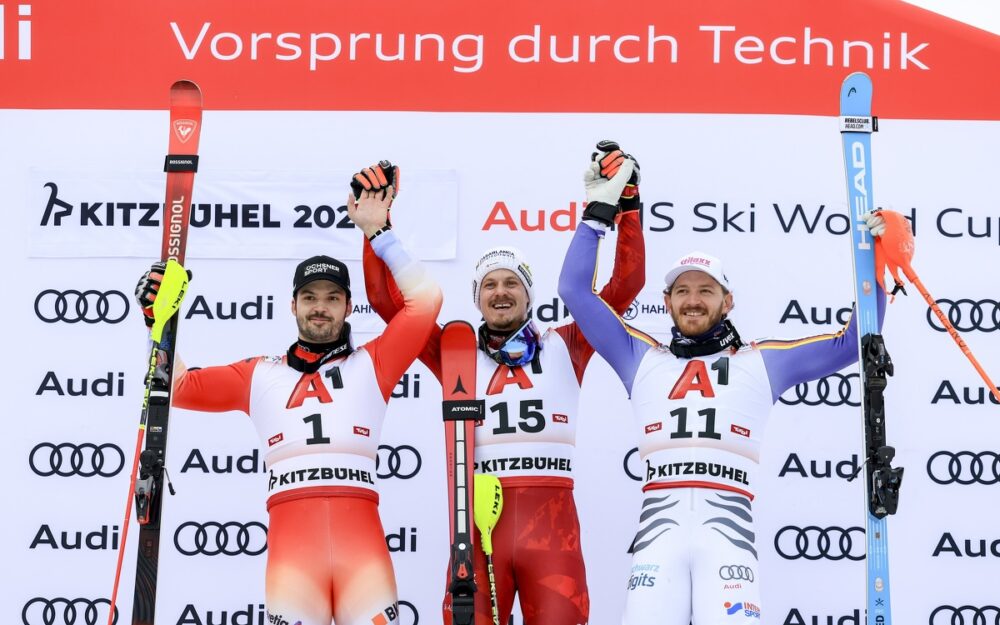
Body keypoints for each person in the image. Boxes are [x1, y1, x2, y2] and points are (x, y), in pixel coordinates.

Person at [558, 156, 896, 624]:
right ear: (667, 302)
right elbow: (575, 292)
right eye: (682, 291)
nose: (693, 300)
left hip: (728, 544)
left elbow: (847, 344)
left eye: (706, 290)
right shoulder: (639, 357)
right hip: (658, 542)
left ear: (728, 300)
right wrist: (598, 213)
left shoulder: (760, 362)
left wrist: (879, 263)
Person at [134, 167, 442, 625]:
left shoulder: (374, 363)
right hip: (294, 563)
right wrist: (157, 323)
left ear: (346, 306)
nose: (321, 306)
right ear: (293, 305)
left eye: (333, 297)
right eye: (310, 296)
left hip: (363, 559)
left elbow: (427, 301)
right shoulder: (259, 375)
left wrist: (378, 233)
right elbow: (174, 387)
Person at [360, 145, 645, 625]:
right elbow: (389, 305)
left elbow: (624, 287)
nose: (499, 292)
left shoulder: (568, 345)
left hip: (553, 538)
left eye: (511, 283)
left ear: (528, 294)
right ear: (477, 298)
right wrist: (375, 232)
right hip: (475, 531)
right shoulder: (454, 350)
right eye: (489, 285)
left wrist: (628, 206)